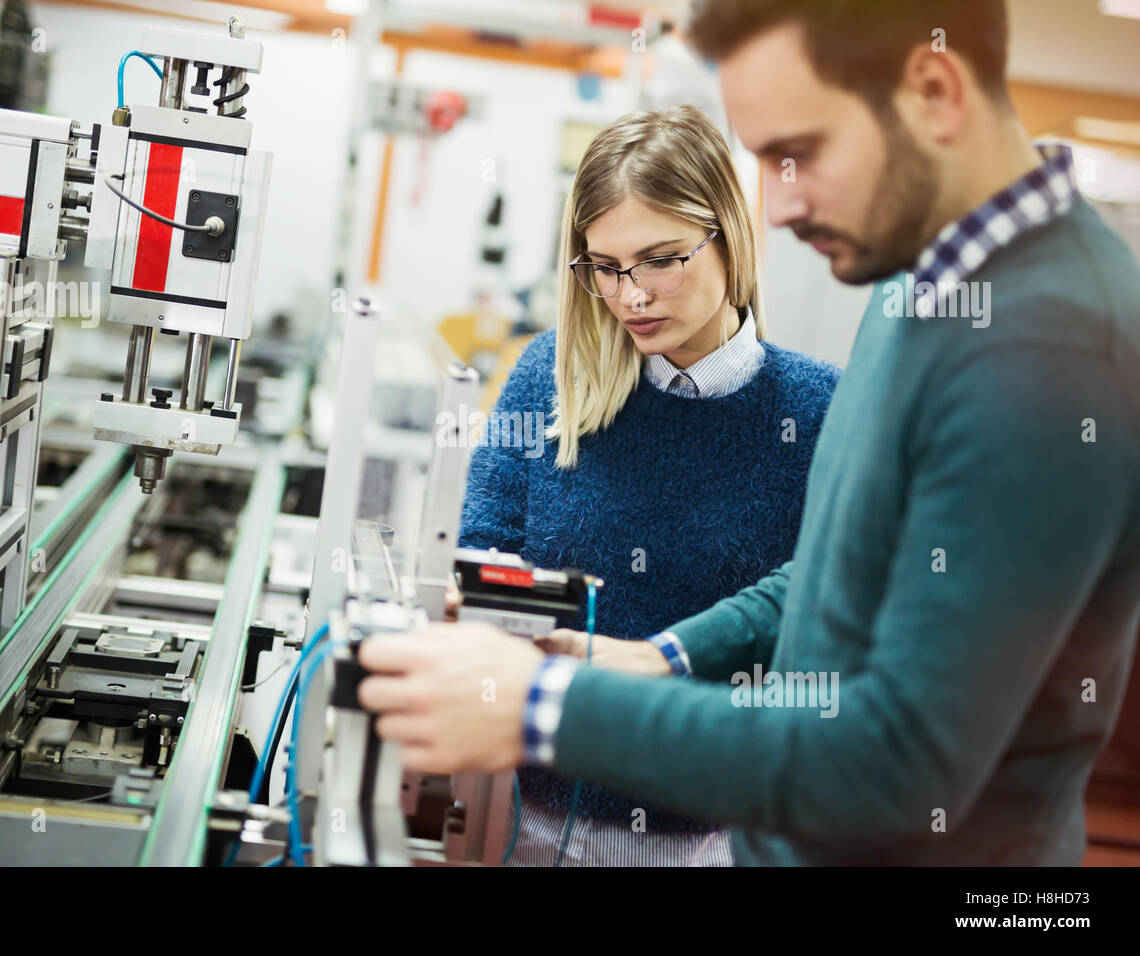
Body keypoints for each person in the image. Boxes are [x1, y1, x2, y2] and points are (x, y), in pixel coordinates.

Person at [357, 0, 1140, 865]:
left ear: (934, 90)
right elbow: (831, 567)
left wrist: (544, 709)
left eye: (796, 154)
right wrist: (665, 656)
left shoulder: (1055, 344)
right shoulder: (920, 283)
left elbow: (899, 766)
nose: (773, 209)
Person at [455, 104, 839, 865]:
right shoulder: (550, 374)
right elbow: (481, 548)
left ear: (728, 234)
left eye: (662, 259)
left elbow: (819, 611)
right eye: (605, 266)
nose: (631, 295)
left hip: (709, 837)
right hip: (522, 815)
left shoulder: (821, 409)